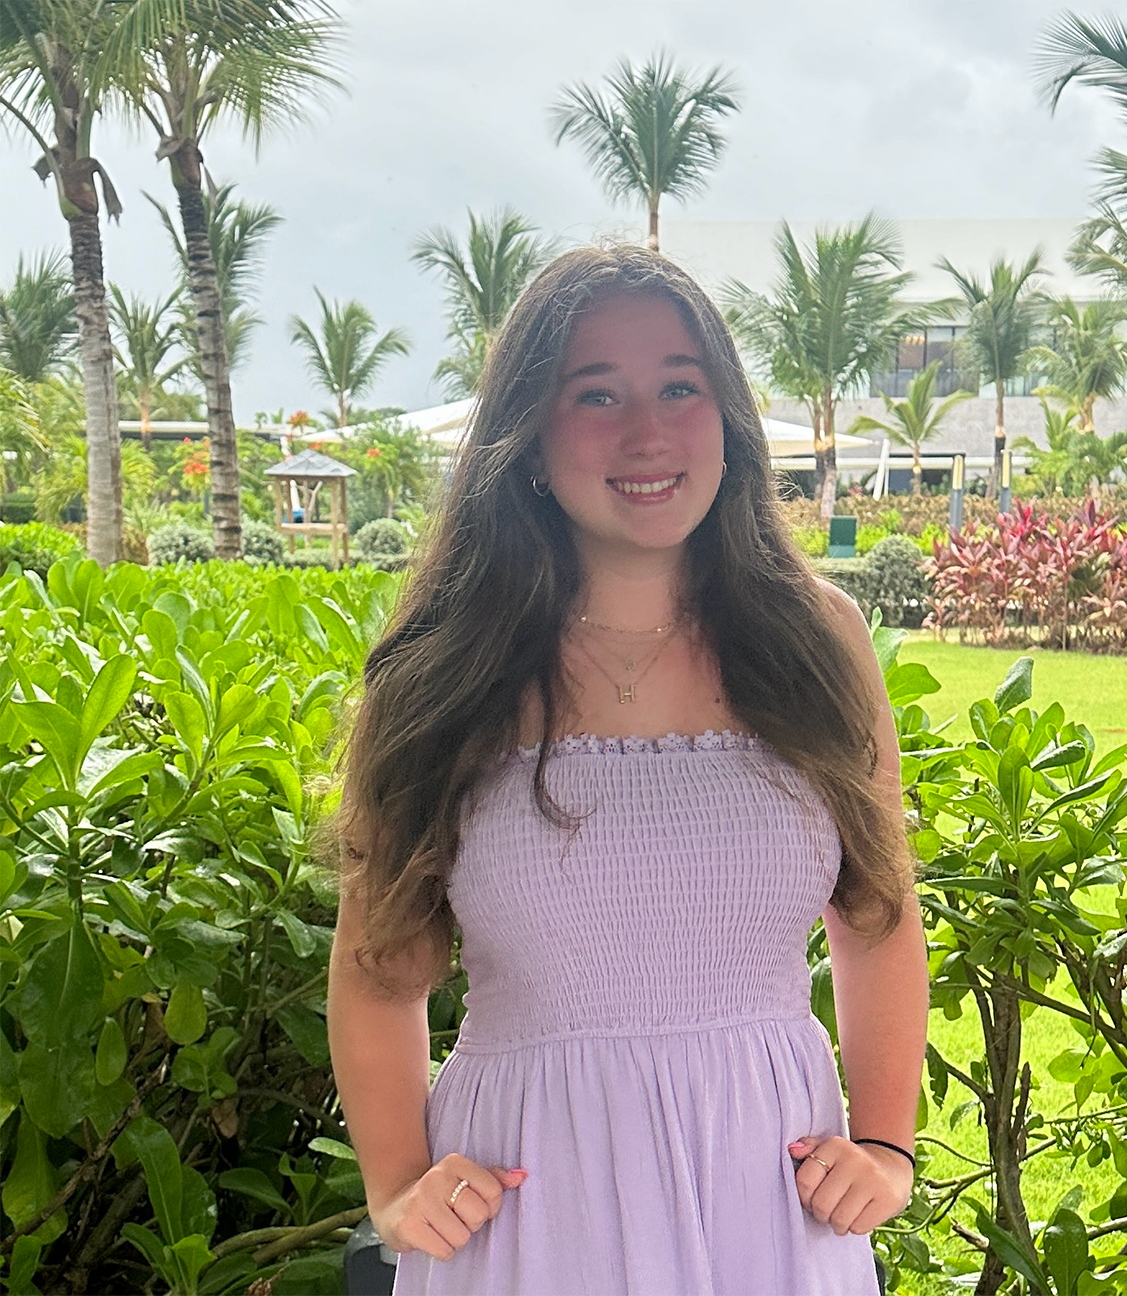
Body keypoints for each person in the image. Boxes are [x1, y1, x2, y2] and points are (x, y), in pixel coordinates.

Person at [327, 244, 928, 1296]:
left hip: (772, 1210)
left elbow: (878, 915)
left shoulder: (816, 641)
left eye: (679, 387)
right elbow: (380, 962)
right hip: (530, 1217)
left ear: (727, 418)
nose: (647, 432)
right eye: (595, 393)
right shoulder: (444, 670)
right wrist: (396, 1185)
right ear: (529, 436)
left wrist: (886, 1145)